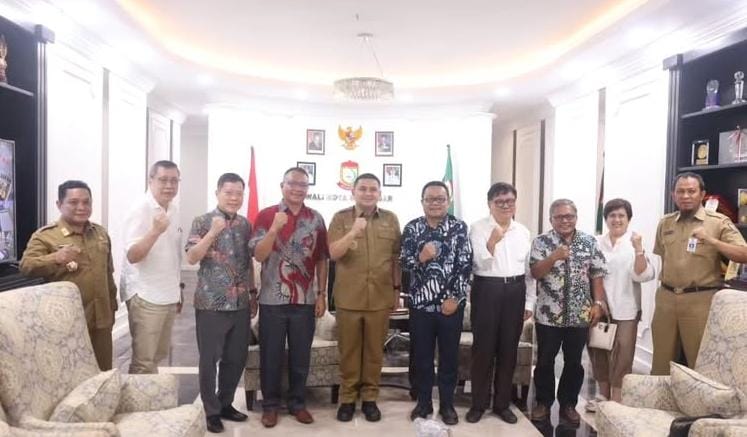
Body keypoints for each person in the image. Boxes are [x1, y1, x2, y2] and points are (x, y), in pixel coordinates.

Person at [249, 167, 329, 428]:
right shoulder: (266, 215)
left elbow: (322, 259)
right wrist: (274, 229)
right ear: (282, 185)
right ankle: (270, 406)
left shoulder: (315, 219)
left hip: (305, 301)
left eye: (303, 185)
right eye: (292, 183)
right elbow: (258, 255)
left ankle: (297, 403)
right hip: (272, 300)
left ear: (308, 189)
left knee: (300, 356)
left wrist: (322, 294)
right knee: (270, 356)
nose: (297, 189)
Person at [650, 172, 747, 375]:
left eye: (691, 191)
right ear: (673, 195)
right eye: (680, 191)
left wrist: (712, 241)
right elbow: (663, 257)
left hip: (700, 301)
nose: (685, 196)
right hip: (666, 299)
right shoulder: (665, 223)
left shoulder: (718, 222)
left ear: (702, 194)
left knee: (700, 365)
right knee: (660, 364)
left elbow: (743, 254)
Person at [20, 180, 117, 371]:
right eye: (73, 202)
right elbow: (26, 266)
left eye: (86, 202)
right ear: (59, 204)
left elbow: (108, 274)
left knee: (103, 372)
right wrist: (55, 258)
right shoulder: (45, 236)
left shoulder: (100, 233)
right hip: (66, 321)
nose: (81, 207)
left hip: (101, 320)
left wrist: (112, 308)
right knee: (71, 371)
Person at [328, 173, 402, 422]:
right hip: (349, 298)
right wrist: (353, 232)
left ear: (379, 193)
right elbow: (334, 253)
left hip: (380, 297)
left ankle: (370, 398)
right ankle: (348, 399)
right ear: (353, 192)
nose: (368, 193)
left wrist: (396, 291)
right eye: (363, 189)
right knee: (349, 352)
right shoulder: (340, 218)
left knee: (374, 353)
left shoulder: (390, 219)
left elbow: (396, 259)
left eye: (373, 189)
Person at [186, 173, 255, 433]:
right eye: (228, 192)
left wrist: (252, 292)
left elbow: (247, 263)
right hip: (211, 303)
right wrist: (213, 232)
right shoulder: (202, 221)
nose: (234, 198)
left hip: (240, 303)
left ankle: (225, 403)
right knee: (209, 360)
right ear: (217, 193)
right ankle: (211, 411)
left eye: (239, 193)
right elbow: (192, 257)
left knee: (236, 358)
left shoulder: (245, 225)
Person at [529, 199, 607, 426]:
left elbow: (597, 274)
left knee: (574, 362)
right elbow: (535, 273)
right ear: (551, 219)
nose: (565, 220)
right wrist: (553, 257)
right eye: (559, 217)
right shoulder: (541, 242)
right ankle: (543, 403)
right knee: (545, 361)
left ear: (576, 218)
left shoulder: (588, 242)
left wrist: (598, 303)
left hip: (579, 314)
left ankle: (568, 404)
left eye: (569, 216)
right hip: (548, 316)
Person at [400, 181, 472, 426]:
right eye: (430, 199)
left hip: (450, 306)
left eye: (440, 199)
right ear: (422, 202)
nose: (435, 203)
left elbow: (465, 265)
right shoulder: (412, 228)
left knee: (449, 358)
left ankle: (447, 405)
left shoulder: (459, 227)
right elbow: (404, 263)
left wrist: (455, 298)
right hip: (421, 306)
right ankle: (423, 403)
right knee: (421, 358)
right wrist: (421, 257)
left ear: (448, 201)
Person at [465, 182, 536, 424]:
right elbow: (479, 263)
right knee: (483, 350)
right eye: (499, 202)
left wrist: (529, 302)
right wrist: (492, 242)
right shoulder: (478, 228)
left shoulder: (523, 231)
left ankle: (502, 404)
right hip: (487, 289)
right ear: (490, 204)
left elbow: (529, 273)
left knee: (508, 350)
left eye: (510, 201)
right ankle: (478, 404)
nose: (505, 206)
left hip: (515, 291)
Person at [586, 199, 656, 411]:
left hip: (627, 307)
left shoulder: (634, 242)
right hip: (599, 306)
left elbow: (643, 275)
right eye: (612, 216)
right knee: (598, 350)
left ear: (628, 218)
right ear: (606, 219)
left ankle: (616, 399)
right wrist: (597, 301)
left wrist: (638, 250)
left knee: (623, 353)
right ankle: (602, 394)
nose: (616, 220)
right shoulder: (596, 242)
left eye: (621, 216)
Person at [120, 160, 182, 374]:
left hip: (167, 292)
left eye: (174, 180)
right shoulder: (140, 209)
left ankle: (150, 394)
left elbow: (172, 255)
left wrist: (178, 290)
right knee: (144, 362)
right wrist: (155, 231)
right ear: (151, 180)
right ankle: (139, 397)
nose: (169, 185)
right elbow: (133, 255)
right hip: (146, 294)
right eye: (163, 180)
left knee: (157, 355)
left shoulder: (173, 209)